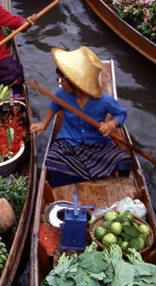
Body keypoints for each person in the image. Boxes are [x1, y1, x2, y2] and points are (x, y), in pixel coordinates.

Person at [30, 46, 132, 187]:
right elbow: (54, 107)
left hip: (96, 145)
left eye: (63, 80)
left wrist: (111, 124)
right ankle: (94, 174)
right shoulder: (61, 95)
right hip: (68, 142)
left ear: (75, 83)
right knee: (52, 159)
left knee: (124, 161)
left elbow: (121, 113)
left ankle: (77, 175)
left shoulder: (104, 100)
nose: (61, 83)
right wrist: (44, 124)